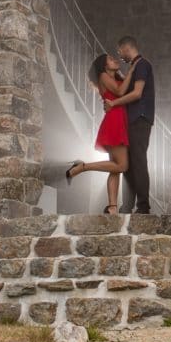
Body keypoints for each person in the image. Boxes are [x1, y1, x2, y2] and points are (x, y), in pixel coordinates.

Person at [65, 53, 132, 214]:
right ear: (104, 65)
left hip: (118, 120)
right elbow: (120, 91)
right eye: (110, 59)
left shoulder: (114, 76)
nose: (115, 60)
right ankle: (83, 167)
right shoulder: (103, 76)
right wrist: (131, 72)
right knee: (122, 166)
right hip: (115, 121)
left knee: (114, 168)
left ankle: (112, 207)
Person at [104, 35, 154, 214]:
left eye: (120, 52)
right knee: (128, 165)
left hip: (140, 119)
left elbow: (137, 93)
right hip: (131, 120)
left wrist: (114, 104)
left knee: (138, 161)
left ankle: (143, 206)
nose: (120, 56)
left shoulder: (142, 65)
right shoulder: (134, 67)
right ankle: (127, 206)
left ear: (126, 48)